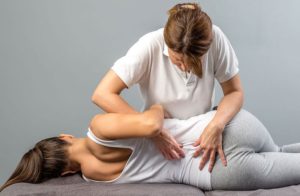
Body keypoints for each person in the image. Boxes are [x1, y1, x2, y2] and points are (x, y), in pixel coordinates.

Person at [2, 105, 300, 192]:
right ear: (64, 137)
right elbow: (150, 123)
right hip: (229, 125)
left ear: (65, 171)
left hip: (213, 171)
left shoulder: (92, 176)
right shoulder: (99, 128)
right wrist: (155, 107)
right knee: (280, 150)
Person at [91, 2, 244, 172]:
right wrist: (149, 130)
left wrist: (217, 125)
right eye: (178, 60)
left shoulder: (216, 38)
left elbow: (234, 92)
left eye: (194, 61)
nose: (185, 67)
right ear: (166, 42)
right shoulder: (149, 45)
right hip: (162, 136)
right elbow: (102, 94)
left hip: (203, 131)